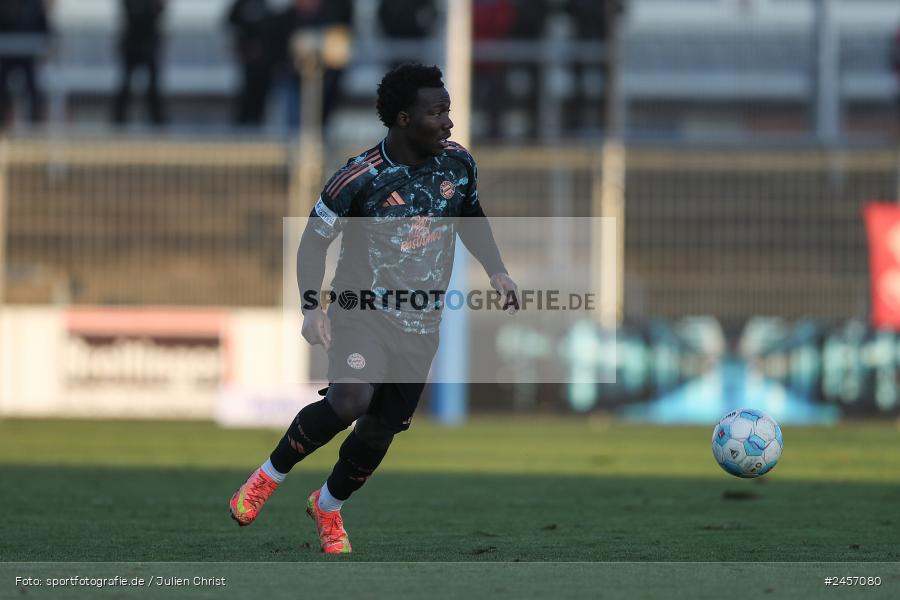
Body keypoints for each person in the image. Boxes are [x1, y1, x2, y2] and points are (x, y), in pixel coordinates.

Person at [229, 63, 519, 554]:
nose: (449, 122)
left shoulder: (458, 164)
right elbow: (311, 245)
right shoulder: (358, 178)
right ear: (404, 119)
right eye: (437, 112)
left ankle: (328, 507)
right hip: (360, 312)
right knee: (349, 401)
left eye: (448, 111)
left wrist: (497, 270)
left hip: (421, 324)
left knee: (382, 428)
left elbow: (471, 216)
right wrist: (309, 307)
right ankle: (267, 477)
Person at [112, 0, 167, 126]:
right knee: (125, 84)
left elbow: (159, 11)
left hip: (149, 43)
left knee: (154, 85)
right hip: (132, 43)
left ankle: (157, 121)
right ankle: (119, 121)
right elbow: (131, 13)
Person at [0, 0, 50, 127]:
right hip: (5, 57)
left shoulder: (34, 5)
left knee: (34, 90)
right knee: (2, 88)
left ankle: (35, 126)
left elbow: (45, 29)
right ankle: (5, 124)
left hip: (28, 58)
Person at [226, 0, 275, 126]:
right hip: (246, 61)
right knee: (245, 95)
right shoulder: (240, 5)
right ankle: (242, 124)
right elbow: (230, 23)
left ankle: (257, 121)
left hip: (264, 63)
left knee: (261, 95)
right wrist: (242, 48)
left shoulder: (264, 5)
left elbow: (271, 30)